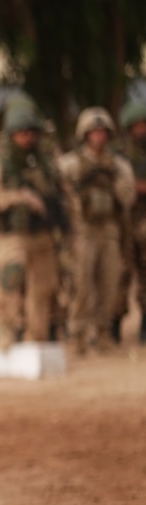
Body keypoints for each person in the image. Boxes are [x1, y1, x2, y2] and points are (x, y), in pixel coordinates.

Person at [0, 95, 67, 349]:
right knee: (10, 279)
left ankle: (35, 338)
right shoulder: (0, 162)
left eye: (30, 132)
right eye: (21, 132)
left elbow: (63, 193)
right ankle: (4, 331)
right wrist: (20, 197)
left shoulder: (48, 160)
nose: (26, 137)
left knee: (43, 288)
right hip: (13, 234)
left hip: (43, 234)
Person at [57, 107, 135, 354]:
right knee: (82, 286)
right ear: (85, 134)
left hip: (109, 231)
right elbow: (60, 197)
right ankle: (78, 336)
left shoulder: (118, 165)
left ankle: (102, 334)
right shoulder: (70, 164)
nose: (99, 137)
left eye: (103, 132)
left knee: (109, 285)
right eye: (94, 132)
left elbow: (128, 196)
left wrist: (113, 181)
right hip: (83, 232)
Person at [113, 99, 146, 344]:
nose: (141, 130)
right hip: (122, 222)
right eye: (136, 125)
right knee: (119, 274)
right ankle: (113, 325)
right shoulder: (119, 153)